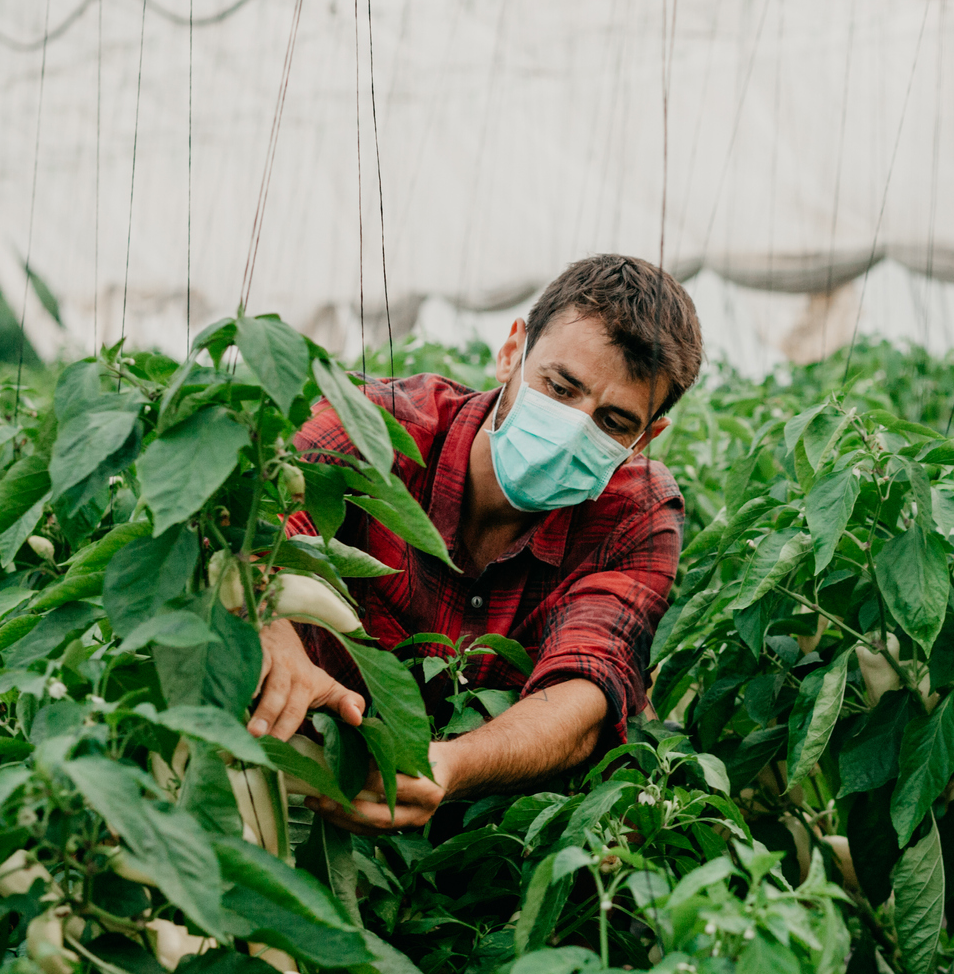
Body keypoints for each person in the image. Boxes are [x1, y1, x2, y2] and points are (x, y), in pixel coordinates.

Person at [244, 254, 702, 832]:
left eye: (612, 422)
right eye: (560, 387)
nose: (572, 429)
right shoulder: (380, 429)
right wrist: (271, 627)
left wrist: (451, 766)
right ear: (513, 351)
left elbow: (586, 688)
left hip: (487, 837)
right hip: (300, 788)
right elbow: (252, 520)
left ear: (646, 437)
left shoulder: (636, 511)